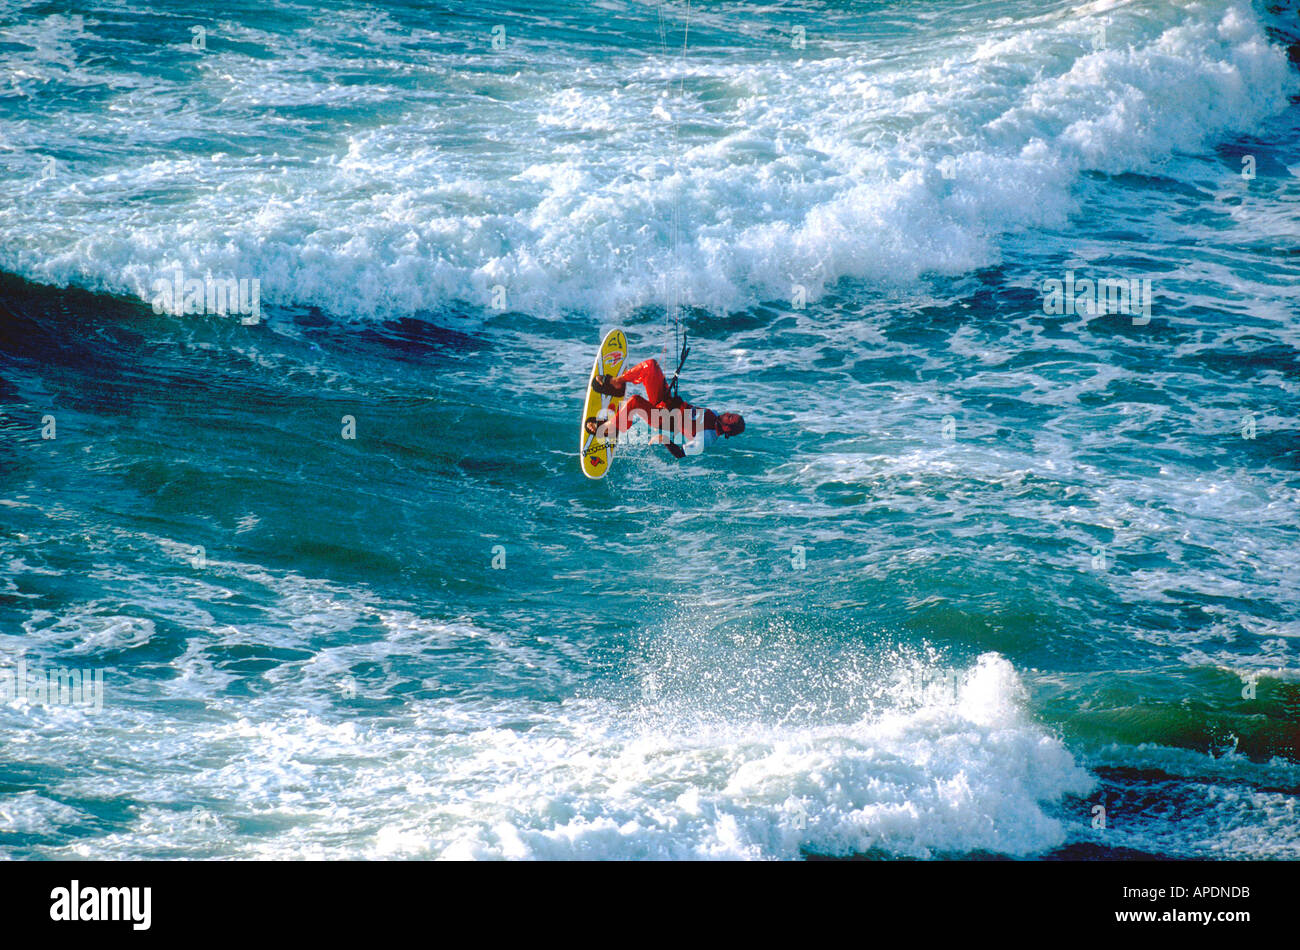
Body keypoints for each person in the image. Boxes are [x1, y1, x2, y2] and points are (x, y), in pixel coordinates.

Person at [584, 358, 744, 459]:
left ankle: (608, 429)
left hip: (662, 419)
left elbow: (680, 454)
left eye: (730, 418)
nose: (727, 413)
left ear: (727, 427)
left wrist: (664, 439)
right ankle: (616, 383)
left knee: (634, 402)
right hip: (667, 402)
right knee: (651, 366)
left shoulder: (706, 438)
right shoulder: (715, 415)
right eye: (731, 414)